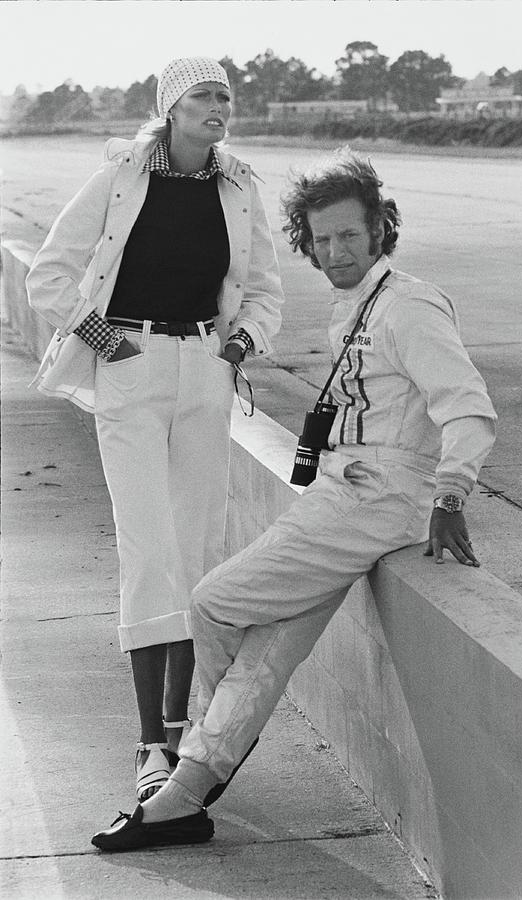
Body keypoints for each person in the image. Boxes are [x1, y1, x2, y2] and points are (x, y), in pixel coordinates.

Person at [91, 149, 497, 851]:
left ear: (379, 230)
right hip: (346, 494)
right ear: (305, 243)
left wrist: (452, 492)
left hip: (376, 496)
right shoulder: (356, 309)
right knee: (270, 648)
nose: (335, 250)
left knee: (213, 602)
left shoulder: (409, 304)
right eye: (321, 238)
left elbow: (466, 405)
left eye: (349, 234)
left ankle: (200, 760)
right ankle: (185, 798)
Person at [26, 57, 283, 803]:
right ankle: (148, 744)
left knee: (199, 553)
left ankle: (182, 734)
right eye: (204, 95)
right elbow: (51, 275)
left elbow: (263, 289)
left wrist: (240, 345)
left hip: (205, 365)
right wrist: (108, 344)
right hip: (130, 368)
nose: (218, 107)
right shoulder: (118, 178)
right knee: (148, 551)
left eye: (225, 97)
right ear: (171, 108)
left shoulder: (237, 188)